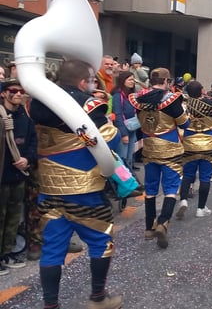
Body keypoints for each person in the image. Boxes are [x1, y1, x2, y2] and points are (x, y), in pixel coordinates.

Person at [29, 60, 122, 309]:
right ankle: (98, 298)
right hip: (84, 187)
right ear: (83, 82)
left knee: (52, 248)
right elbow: (106, 142)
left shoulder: (37, 103)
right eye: (91, 80)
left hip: (49, 187)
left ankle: (50, 305)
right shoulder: (88, 104)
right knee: (101, 240)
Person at [129, 68, 189, 249]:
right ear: (166, 81)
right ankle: (163, 223)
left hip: (149, 147)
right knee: (171, 188)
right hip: (170, 148)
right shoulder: (171, 100)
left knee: (151, 187)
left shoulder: (139, 99)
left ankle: (149, 228)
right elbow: (184, 123)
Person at [0, 79, 36, 274]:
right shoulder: (2, 117)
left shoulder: (25, 118)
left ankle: (6, 253)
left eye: (21, 91)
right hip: (2, 175)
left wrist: (27, 159)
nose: (18, 94)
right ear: (3, 93)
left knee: (14, 217)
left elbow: (32, 142)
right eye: (13, 90)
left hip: (18, 175)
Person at [176, 80, 212, 220]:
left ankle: (183, 200)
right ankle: (201, 208)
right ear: (201, 90)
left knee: (187, 174)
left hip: (190, 143)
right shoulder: (211, 104)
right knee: (205, 177)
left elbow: (181, 122)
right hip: (209, 143)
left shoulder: (184, 104)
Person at [111, 71, 138, 170]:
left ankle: (129, 176)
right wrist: (124, 134)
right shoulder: (118, 95)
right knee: (122, 158)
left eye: (133, 80)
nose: (132, 82)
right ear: (123, 81)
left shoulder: (131, 95)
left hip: (132, 129)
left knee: (129, 157)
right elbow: (118, 114)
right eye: (130, 80)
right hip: (123, 130)